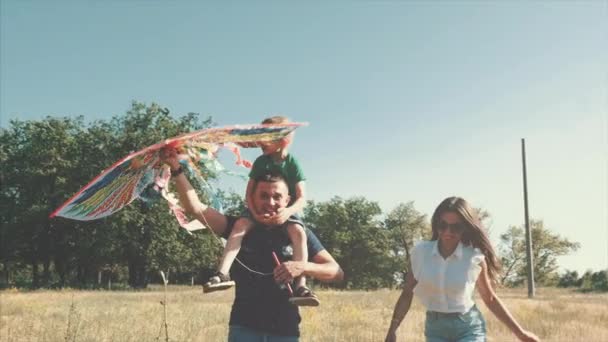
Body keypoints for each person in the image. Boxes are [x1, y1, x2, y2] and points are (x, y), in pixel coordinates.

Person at [161, 147, 344, 341]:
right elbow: (195, 208)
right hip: (243, 328)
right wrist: (176, 170)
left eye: (277, 197)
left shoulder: (297, 231)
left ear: (288, 200)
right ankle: (221, 275)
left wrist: (302, 267)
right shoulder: (238, 227)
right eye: (264, 196)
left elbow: (337, 272)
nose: (270, 202)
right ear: (252, 199)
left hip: (285, 330)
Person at [385, 197, 539, 342]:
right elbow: (406, 293)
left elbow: (490, 299)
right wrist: (393, 329)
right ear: (436, 224)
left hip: (468, 326)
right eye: (443, 225)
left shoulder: (474, 257)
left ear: (465, 228)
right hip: (435, 328)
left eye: (456, 227)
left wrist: (520, 333)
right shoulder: (420, 253)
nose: (448, 232)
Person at [206, 116, 315, 306]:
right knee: (239, 226)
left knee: (299, 233)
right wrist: (254, 213)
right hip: (257, 209)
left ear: (283, 140)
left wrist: (287, 213)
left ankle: (301, 284)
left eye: (267, 136)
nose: (260, 141)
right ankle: (222, 272)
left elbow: (301, 197)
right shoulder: (260, 162)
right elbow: (249, 193)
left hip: (284, 210)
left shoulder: (292, 163)